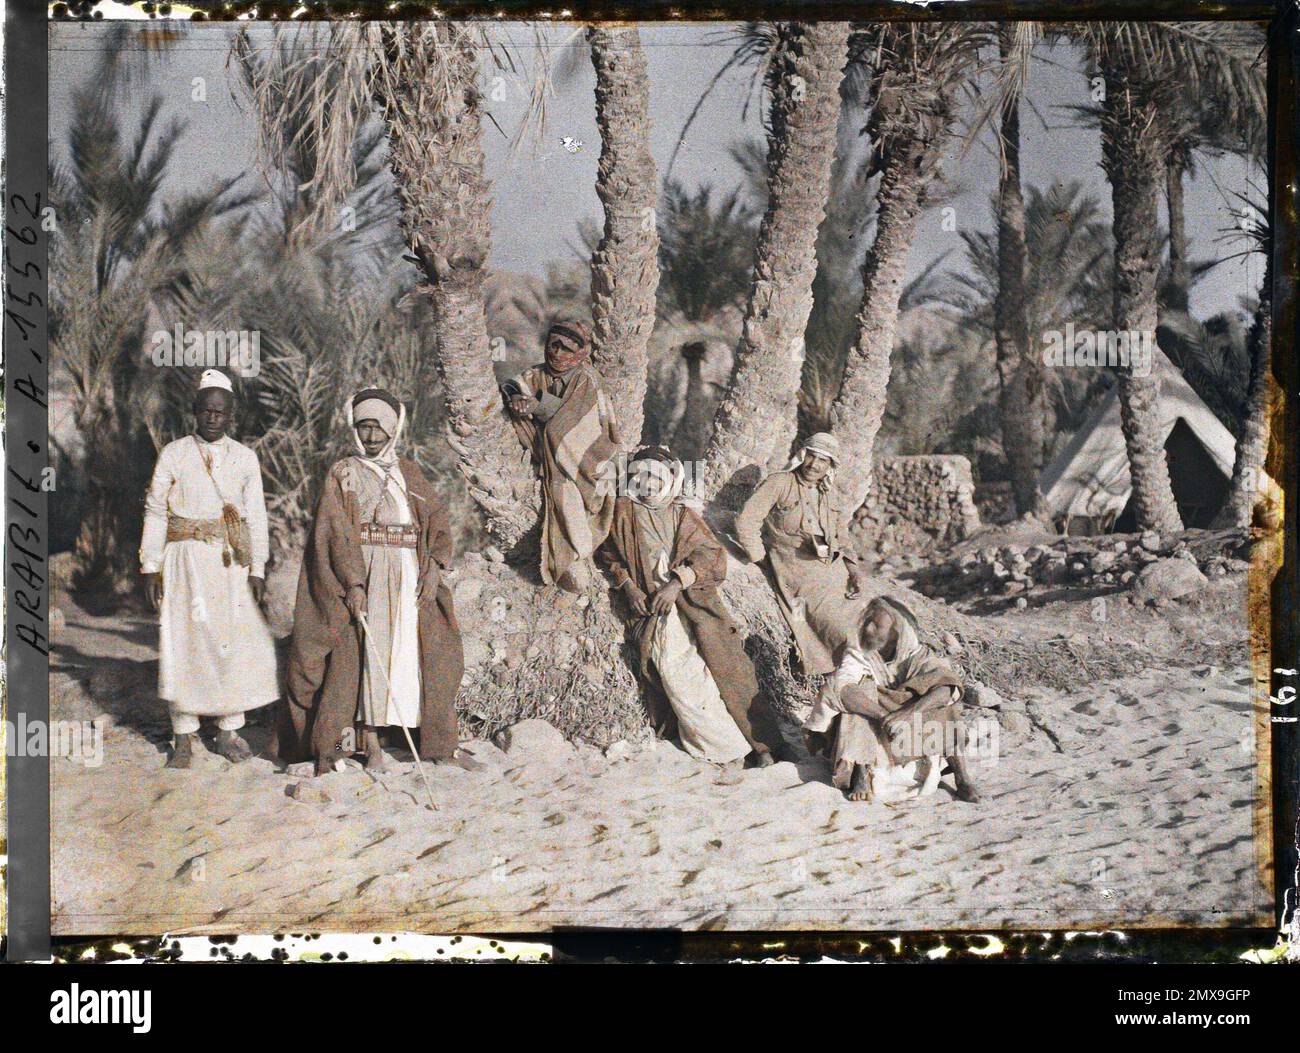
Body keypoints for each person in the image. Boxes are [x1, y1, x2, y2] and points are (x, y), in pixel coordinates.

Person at [277, 388, 479, 775]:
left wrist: (434, 566)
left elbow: (435, 520)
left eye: (377, 428)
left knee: (407, 657)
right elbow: (335, 531)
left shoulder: (409, 472)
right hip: (365, 575)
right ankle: (360, 745)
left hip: (405, 575)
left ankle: (428, 742)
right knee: (363, 661)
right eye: (362, 428)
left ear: (393, 428)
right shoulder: (344, 473)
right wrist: (353, 583)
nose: (370, 437)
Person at [599, 447, 783, 775]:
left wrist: (677, 583)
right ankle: (727, 749)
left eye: (656, 478)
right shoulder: (623, 513)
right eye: (641, 477)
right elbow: (610, 554)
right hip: (655, 609)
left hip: (693, 602)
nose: (648, 485)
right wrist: (628, 586)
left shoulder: (682, 515)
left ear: (670, 481)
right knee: (678, 669)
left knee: (729, 666)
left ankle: (762, 745)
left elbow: (712, 555)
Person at [139, 369, 279, 768]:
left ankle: (228, 729)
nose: (213, 418)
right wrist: (151, 564)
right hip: (184, 560)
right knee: (183, 640)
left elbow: (255, 516)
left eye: (220, 411)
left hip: (228, 561)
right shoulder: (175, 453)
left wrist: (256, 569)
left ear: (231, 415)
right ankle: (183, 734)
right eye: (206, 410)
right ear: (194, 412)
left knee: (229, 642)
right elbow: (155, 509)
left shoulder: (244, 458)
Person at [803, 596, 982, 804]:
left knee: (943, 699)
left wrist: (907, 714)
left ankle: (962, 779)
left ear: (896, 633)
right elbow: (842, 690)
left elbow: (947, 684)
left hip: (908, 719)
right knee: (857, 701)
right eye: (869, 622)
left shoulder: (915, 652)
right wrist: (885, 716)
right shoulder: (857, 650)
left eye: (877, 626)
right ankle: (861, 774)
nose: (869, 629)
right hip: (879, 717)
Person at [503, 319, 621, 592]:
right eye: (552, 345)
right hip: (553, 455)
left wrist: (538, 405)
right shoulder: (536, 374)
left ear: (579, 354)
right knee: (561, 490)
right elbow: (512, 385)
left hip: (586, 454)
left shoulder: (586, 379)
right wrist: (517, 400)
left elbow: (573, 423)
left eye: (565, 349)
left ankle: (574, 558)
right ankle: (568, 561)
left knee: (568, 490)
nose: (556, 353)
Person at [733, 432, 867, 676]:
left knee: (864, 623)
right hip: (795, 570)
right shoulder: (780, 483)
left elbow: (841, 537)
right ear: (802, 455)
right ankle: (840, 675)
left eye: (822, 461)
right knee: (837, 629)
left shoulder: (829, 493)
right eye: (811, 456)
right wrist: (760, 558)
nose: (814, 465)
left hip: (833, 571)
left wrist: (854, 571)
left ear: (830, 466)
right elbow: (746, 521)